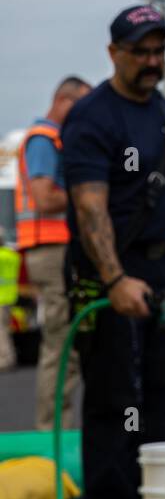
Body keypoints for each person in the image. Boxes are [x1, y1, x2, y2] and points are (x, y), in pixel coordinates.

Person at [62, 4, 165, 499]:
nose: (151, 61)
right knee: (117, 412)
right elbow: (90, 210)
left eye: (158, 51)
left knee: (164, 407)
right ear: (113, 53)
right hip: (109, 279)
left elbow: (159, 197)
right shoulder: (94, 117)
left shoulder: (159, 107)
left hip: (157, 272)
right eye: (139, 52)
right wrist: (115, 279)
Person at [16, 76, 91, 428]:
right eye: (82, 106)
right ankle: (52, 433)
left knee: (64, 345)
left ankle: (56, 429)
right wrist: (89, 195)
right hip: (51, 250)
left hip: (52, 249)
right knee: (62, 347)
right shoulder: (45, 139)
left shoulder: (47, 139)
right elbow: (45, 198)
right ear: (63, 100)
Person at [0, 228, 22, 371]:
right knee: (6, 329)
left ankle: (5, 360)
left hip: (0, 298)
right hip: (10, 296)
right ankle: (10, 357)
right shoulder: (13, 255)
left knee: (1, 331)